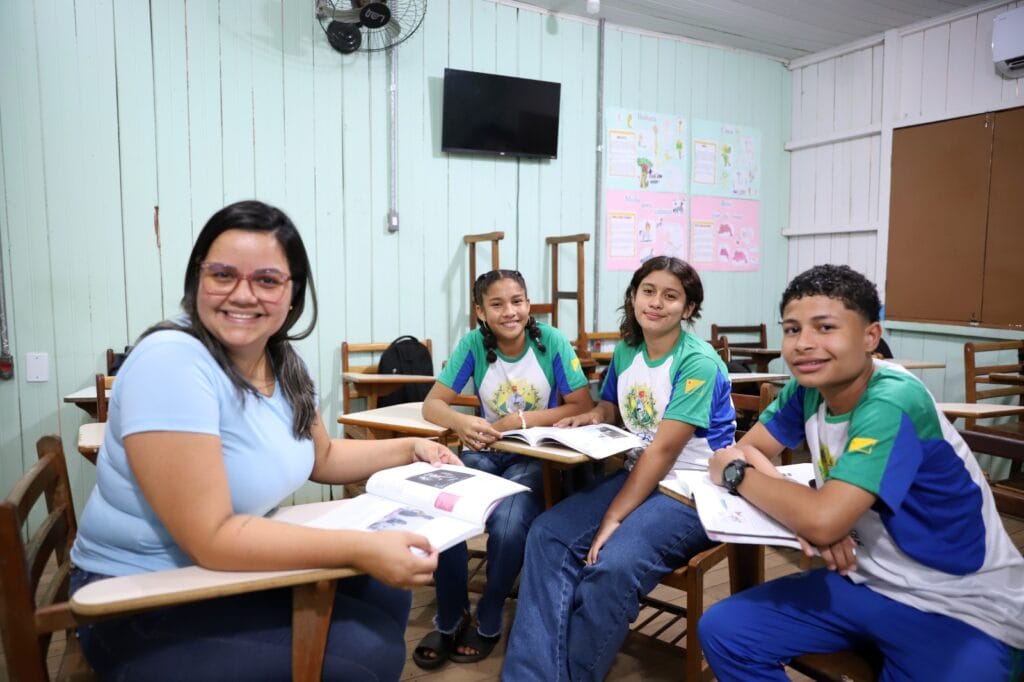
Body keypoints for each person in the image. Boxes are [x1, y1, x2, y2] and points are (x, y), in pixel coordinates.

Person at [69, 200, 462, 681]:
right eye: (223, 275)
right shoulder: (171, 361)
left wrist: (409, 449)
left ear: (293, 294)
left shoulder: (280, 360)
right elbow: (210, 539)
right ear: (198, 281)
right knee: (367, 654)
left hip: (211, 576)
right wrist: (357, 546)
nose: (243, 294)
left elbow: (325, 456)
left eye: (267, 280)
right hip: (138, 599)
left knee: (383, 592)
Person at [700, 264, 1024, 681]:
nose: (804, 344)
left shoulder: (892, 399)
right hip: (867, 581)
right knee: (727, 630)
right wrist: (799, 503)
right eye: (792, 329)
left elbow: (812, 512)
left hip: (959, 604)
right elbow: (748, 448)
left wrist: (740, 475)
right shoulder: (808, 388)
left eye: (825, 327)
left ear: (871, 337)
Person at [502, 256, 737, 681]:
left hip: (694, 491)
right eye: (648, 291)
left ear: (688, 309)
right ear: (632, 297)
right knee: (548, 534)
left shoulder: (697, 362)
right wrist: (591, 416)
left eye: (671, 296)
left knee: (613, 564)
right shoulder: (629, 349)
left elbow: (664, 452)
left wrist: (614, 516)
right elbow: (612, 405)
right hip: (639, 475)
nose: (656, 303)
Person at [415, 269, 593, 669]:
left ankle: (491, 613)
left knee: (510, 526)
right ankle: (452, 616)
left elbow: (581, 406)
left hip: (536, 459)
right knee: (444, 509)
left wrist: (521, 422)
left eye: (517, 301)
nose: (509, 311)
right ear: (480, 311)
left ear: (529, 305)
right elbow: (433, 404)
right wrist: (462, 423)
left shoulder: (551, 343)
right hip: (483, 453)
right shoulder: (474, 345)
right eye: (496, 304)